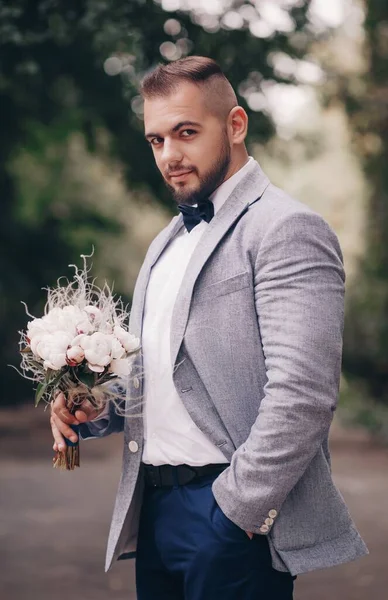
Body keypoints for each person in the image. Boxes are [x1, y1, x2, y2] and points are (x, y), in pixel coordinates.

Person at [50, 56, 368, 599]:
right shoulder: (167, 240)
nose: (169, 156)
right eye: (155, 141)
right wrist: (99, 407)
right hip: (155, 512)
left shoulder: (287, 228)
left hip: (227, 516)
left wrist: (236, 510)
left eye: (186, 133)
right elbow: (162, 377)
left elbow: (304, 394)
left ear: (236, 125)